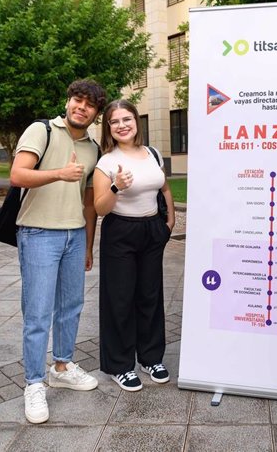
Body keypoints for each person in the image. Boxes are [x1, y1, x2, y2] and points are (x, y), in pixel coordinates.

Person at [9, 79, 106, 424]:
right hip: (38, 234)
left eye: (89, 104)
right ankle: (34, 383)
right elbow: (18, 175)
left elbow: (89, 202)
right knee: (37, 313)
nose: (81, 107)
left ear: (96, 113)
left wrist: (88, 244)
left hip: (75, 235)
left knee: (71, 306)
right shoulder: (41, 130)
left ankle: (62, 366)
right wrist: (59, 174)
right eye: (76, 100)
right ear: (67, 102)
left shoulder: (94, 148)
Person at [93, 99, 175, 391]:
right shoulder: (106, 162)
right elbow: (100, 208)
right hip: (121, 233)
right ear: (109, 128)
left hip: (152, 230)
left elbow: (163, 187)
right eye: (114, 122)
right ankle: (120, 365)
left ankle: (151, 357)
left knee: (150, 295)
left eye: (126, 119)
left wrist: (169, 223)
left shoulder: (152, 153)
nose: (122, 125)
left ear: (136, 121)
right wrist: (117, 186)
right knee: (120, 299)